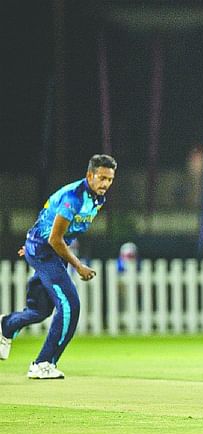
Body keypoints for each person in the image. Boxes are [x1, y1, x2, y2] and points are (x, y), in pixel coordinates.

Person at [0, 154, 117, 379]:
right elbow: (55, 238)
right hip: (46, 251)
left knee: (40, 310)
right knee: (70, 306)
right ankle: (42, 363)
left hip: (44, 250)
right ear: (89, 175)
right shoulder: (73, 198)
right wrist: (78, 266)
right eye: (101, 178)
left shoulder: (97, 198)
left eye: (109, 180)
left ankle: (7, 325)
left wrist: (32, 241)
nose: (105, 184)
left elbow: (49, 216)